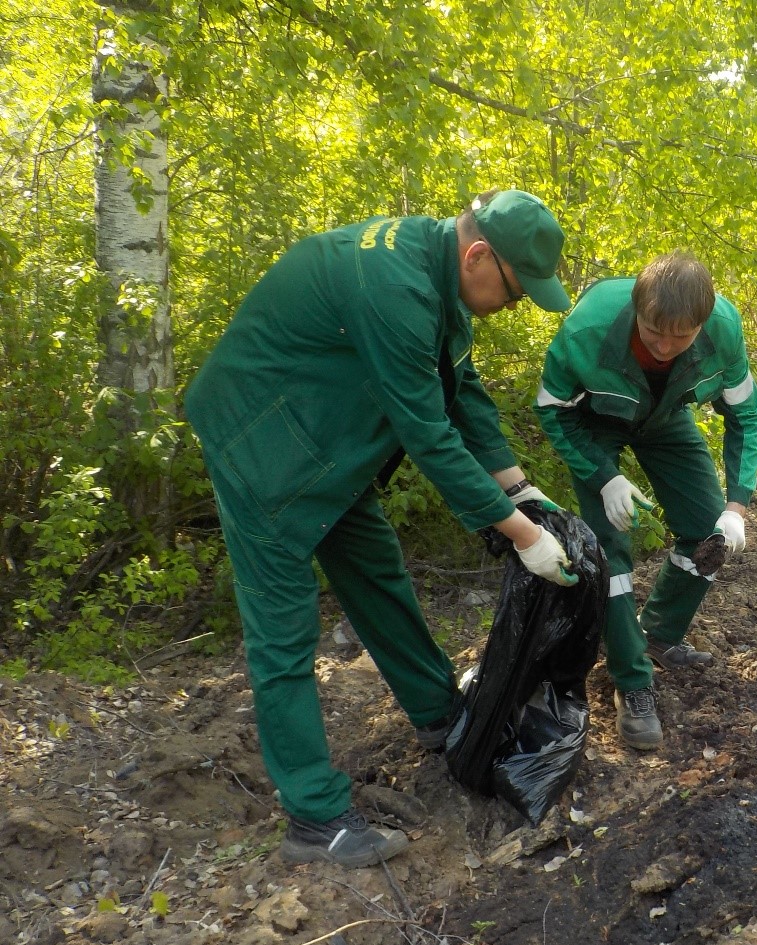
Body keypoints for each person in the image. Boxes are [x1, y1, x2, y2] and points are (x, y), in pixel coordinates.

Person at [186, 190, 578, 868]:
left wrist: (521, 488)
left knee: (377, 572)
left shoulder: (435, 275)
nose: (511, 307)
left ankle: (437, 714)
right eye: (514, 293)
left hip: (324, 446)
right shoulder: (393, 288)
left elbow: (464, 394)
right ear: (479, 255)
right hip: (261, 445)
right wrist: (524, 536)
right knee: (284, 631)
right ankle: (314, 817)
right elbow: (426, 432)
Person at [535, 251, 757, 751]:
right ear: (638, 309)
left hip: (664, 419)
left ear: (702, 324)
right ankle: (632, 683)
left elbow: (746, 416)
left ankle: (659, 633)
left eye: (679, 337)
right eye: (652, 331)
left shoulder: (723, 329)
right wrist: (604, 476)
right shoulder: (588, 330)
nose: (663, 347)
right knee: (609, 554)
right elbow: (553, 410)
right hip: (594, 425)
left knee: (709, 533)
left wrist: (737, 507)